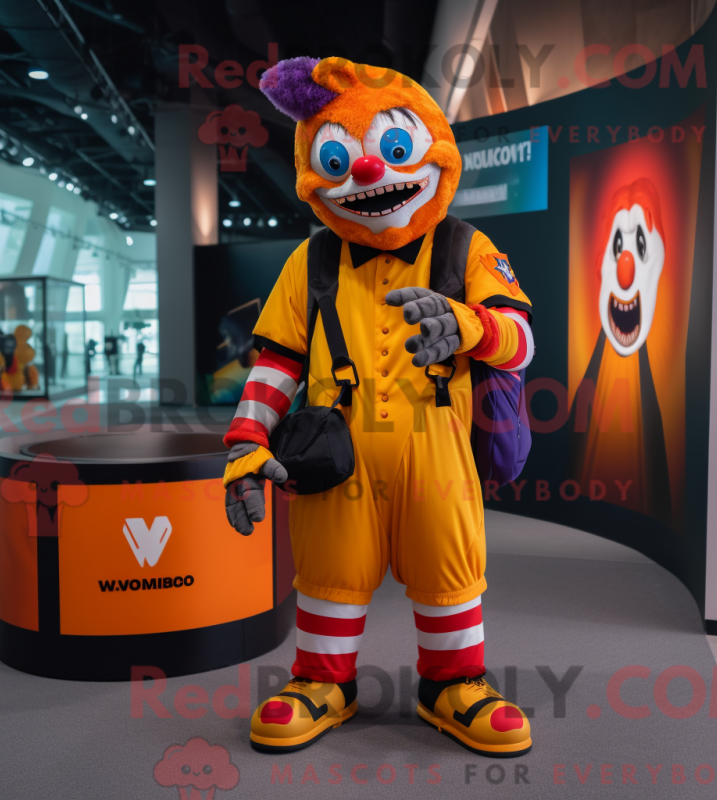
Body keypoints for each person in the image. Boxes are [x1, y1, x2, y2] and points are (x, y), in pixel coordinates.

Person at [222, 57, 534, 757]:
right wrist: (247, 440)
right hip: (336, 451)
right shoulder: (310, 261)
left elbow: (521, 343)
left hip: (439, 448)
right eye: (339, 160)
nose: (367, 172)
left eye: (394, 148)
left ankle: (454, 684)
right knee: (330, 571)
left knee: (449, 568)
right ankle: (322, 681)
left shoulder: (466, 247)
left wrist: (471, 327)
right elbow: (277, 360)